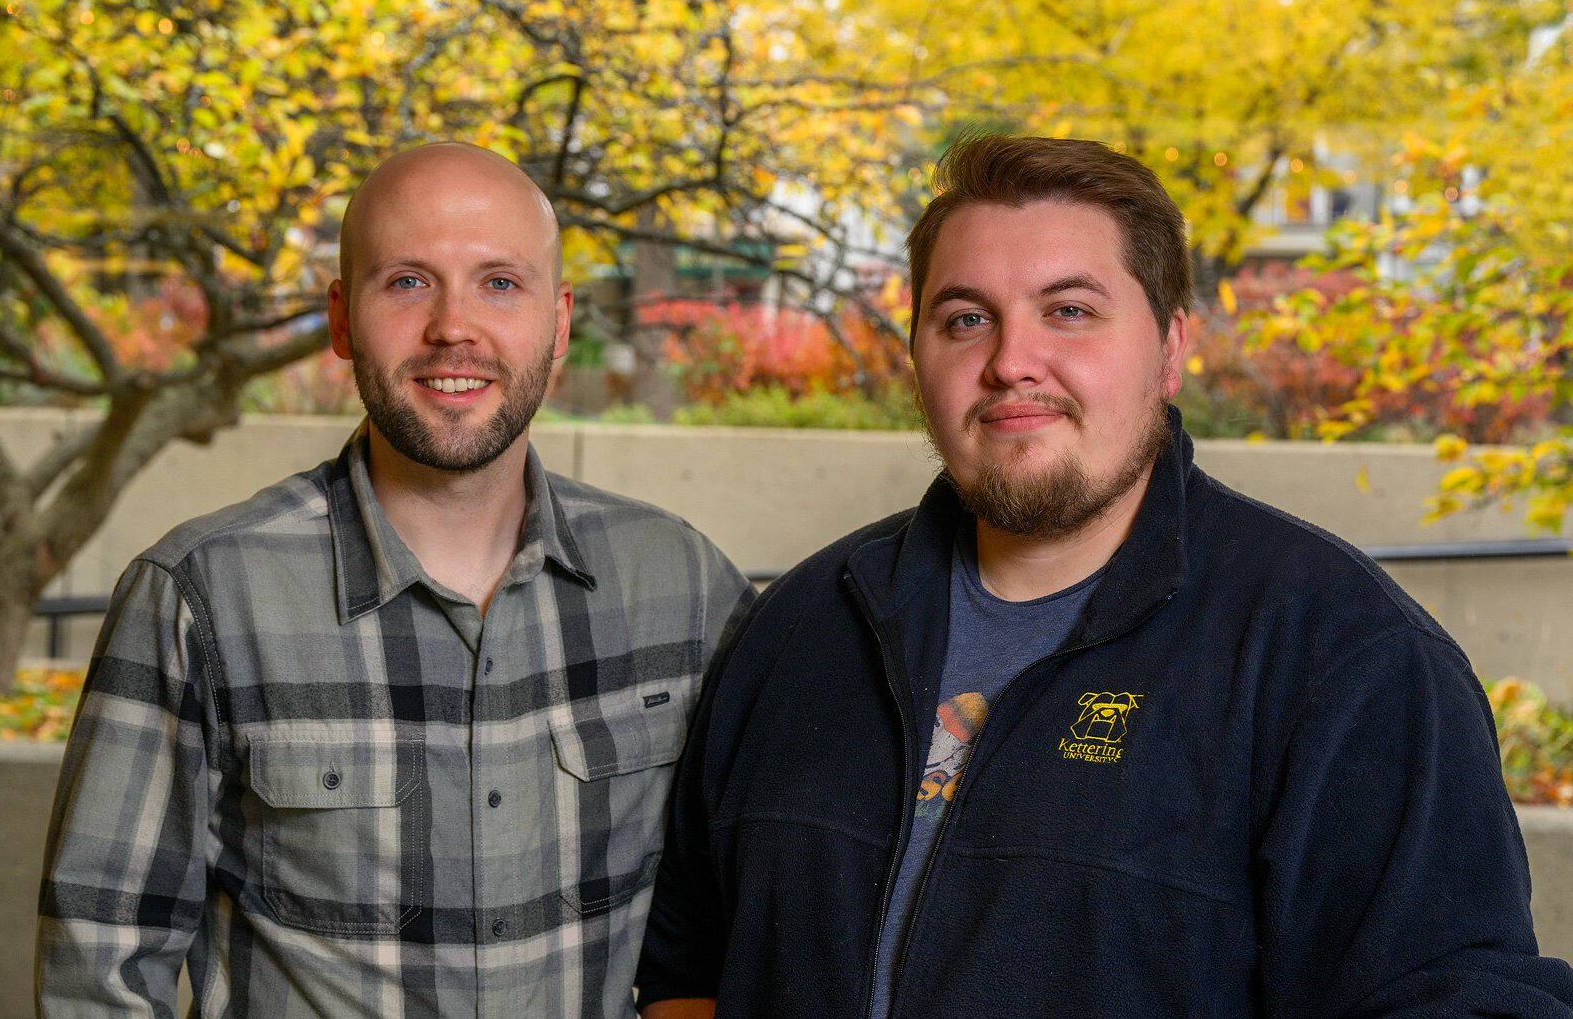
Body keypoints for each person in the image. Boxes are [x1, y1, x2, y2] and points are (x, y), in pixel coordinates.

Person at [636, 135, 1573, 1017]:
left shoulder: (1345, 660)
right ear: (917, 359)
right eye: (965, 319)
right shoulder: (800, 624)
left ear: (1169, 350)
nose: (1011, 362)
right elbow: (690, 959)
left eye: (1070, 311)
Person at [37, 143, 752, 1017]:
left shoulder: (685, 589)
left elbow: (746, 919)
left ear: (560, 322)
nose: (454, 326)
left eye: (500, 283)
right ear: (342, 319)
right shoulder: (199, 599)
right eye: (407, 281)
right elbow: (99, 976)